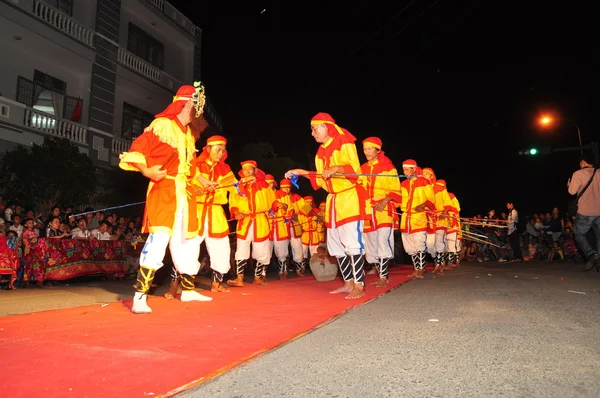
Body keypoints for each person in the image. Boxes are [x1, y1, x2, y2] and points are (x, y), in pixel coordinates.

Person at [119, 83, 214, 314]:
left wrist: (203, 181)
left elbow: (189, 167)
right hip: (164, 189)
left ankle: (188, 290)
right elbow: (138, 149)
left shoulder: (188, 135)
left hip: (184, 192)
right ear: (187, 103)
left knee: (188, 242)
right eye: (197, 106)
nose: (199, 113)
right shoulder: (162, 125)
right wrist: (146, 171)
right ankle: (139, 296)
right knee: (159, 239)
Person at [286, 112, 368, 299]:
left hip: (349, 198)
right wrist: (303, 172)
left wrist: (337, 168)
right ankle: (348, 282)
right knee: (335, 245)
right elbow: (322, 180)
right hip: (333, 201)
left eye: (315, 129)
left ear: (326, 127)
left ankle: (359, 285)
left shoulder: (344, 142)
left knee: (352, 244)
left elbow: (355, 170)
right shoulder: (320, 153)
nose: (313, 133)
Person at [193, 135, 238, 292]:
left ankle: (216, 284)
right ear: (208, 149)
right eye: (218, 149)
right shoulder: (195, 165)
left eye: (223, 150)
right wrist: (193, 189)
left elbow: (235, 190)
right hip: (196, 210)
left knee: (222, 249)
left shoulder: (225, 169)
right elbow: (183, 183)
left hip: (216, 212)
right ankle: (178, 284)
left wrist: (244, 185)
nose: (221, 153)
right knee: (188, 247)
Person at [228, 160, 281, 286]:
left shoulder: (265, 186)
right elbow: (233, 203)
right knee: (241, 249)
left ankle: (258, 277)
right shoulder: (238, 186)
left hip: (260, 221)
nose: (247, 172)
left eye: (250, 169)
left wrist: (278, 204)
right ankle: (239, 278)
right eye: (245, 170)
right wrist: (235, 212)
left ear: (255, 171)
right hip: (244, 221)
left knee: (261, 249)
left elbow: (272, 201)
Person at [361, 137, 401, 287]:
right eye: (365, 149)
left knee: (382, 240)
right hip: (366, 210)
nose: (367, 152)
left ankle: (384, 277)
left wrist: (385, 200)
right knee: (370, 243)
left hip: (383, 209)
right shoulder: (362, 169)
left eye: (370, 149)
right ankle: (379, 274)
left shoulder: (388, 167)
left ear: (378, 150)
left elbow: (396, 190)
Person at [399, 159, 435, 279]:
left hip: (418, 217)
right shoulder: (403, 184)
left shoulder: (424, 181)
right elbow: (399, 201)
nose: (405, 172)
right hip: (406, 219)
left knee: (419, 244)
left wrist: (423, 205)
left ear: (414, 169)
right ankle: (416, 268)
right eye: (403, 169)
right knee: (409, 247)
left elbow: (431, 198)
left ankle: (421, 269)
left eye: (407, 169)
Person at [567, 154, 600, 271]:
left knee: (579, 234)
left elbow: (572, 192)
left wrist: (569, 184)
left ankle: (591, 254)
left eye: (580, 163)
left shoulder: (578, 173)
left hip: (585, 211)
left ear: (584, 162)